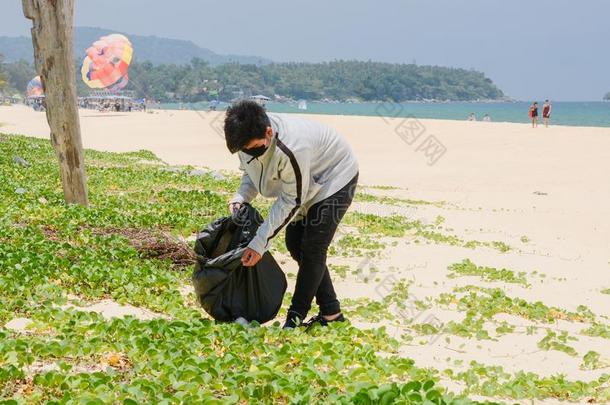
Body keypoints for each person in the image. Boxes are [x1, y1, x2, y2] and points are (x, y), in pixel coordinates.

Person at [223, 100, 359, 329]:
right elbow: (251, 171)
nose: (249, 153)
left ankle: (294, 319)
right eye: (244, 150)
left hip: (335, 177)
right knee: (294, 243)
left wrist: (259, 244)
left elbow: (290, 200)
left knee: (313, 247)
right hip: (305, 180)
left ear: (269, 132)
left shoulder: (292, 147)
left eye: (253, 148)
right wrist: (241, 197)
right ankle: (332, 313)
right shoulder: (246, 142)